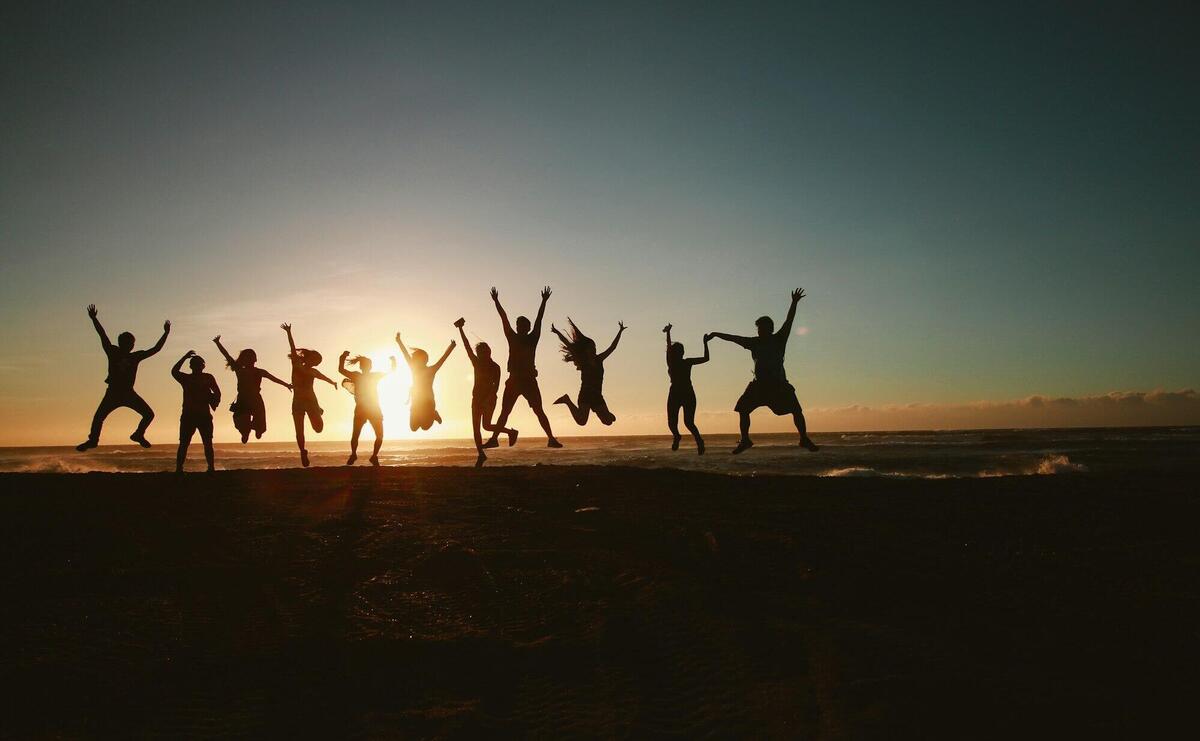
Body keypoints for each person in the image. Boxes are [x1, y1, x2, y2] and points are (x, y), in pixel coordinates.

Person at [707, 288, 819, 454]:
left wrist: (794, 303)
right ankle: (745, 440)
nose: (759, 331)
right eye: (758, 328)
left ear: (770, 328)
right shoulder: (754, 342)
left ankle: (803, 438)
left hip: (778, 384)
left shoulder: (779, 339)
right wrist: (716, 334)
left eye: (762, 328)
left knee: (796, 410)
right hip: (759, 385)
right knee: (743, 409)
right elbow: (734, 338)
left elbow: (789, 321)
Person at [77, 305, 170, 451]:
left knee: (148, 414)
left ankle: (138, 434)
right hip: (114, 392)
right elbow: (103, 335)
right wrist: (94, 319)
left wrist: (166, 334)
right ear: (123, 343)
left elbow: (155, 349)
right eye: (129, 343)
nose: (130, 345)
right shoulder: (114, 352)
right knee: (99, 417)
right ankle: (93, 440)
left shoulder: (133, 356)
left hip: (127, 393)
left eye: (131, 343)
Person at [485, 286, 562, 448]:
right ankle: (494, 439)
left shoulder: (532, 338)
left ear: (526, 328)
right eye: (518, 325)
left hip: (528, 380)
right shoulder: (512, 337)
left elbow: (539, 320)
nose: (519, 327)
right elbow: (503, 318)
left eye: (522, 325)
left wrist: (543, 301)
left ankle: (551, 438)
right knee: (505, 412)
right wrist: (496, 301)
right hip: (513, 380)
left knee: (538, 410)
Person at [455, 317, 518, 466]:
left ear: (489, 351)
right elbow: (467, 347)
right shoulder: (476, 363)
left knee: (487, 426)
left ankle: (510, 432)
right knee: (477, 428)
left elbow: (496, 387)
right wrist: (460, 329)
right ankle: (481, 455)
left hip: (489, 399)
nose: (483, 354)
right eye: (480, 352)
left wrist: (488, 399)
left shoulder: (495, 367)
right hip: (476, 399)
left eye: (485, 351)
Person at [212, 335, 292, 444]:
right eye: (248, 357)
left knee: (259, 421)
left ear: (255, 359)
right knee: (241, 421)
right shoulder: (240, 370)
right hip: (243, 399)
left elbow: (274, 379)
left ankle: (257, 430)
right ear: (244, 360)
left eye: (252, 357)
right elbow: (227, 355)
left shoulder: (259, 371)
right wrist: (218, 343)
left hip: (255, 399)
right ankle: (245, 432)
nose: (250, 359)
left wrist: (286, 385)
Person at [281, 323, 338, 467]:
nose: (315, 363)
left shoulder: (313, 372)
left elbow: (323, 377)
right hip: (298, 403)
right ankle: (302, 452)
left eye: (317, 362)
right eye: (315, 360)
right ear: (309, 358)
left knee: (319, 429)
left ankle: (318, 411)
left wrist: (332, 382)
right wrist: (288, 332)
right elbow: (293, 349)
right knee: (299, 431)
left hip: (311, 402)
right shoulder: (296, 365)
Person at [551, 319, 625, 427]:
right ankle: (567, 400)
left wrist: (620, 331)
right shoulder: (583, 361)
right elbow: (568, 344)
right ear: (586, 350)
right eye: (591, 348)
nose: (594, 350)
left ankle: (605, 414)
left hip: (597, 394)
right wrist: (557, 332)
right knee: (582, 422)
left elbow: (612, 347)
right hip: (586, 393)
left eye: (594, 347)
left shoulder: (599, 359)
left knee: (608, 422)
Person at [339, 351, 395, 466]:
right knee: (375, 435)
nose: (369, 367)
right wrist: (393, 362)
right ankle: (365, 455)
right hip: (369, 409)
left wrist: (342, 357)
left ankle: (364, 456)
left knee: (360, 435)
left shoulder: (361, 375)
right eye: (368, 365)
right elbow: (392, 371)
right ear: (367, 366)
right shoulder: (365, 376)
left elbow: (341, 370)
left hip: (368, 408)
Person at [170, 350, 220, 473]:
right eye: (196, 364)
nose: (198, 367)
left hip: (199, 415)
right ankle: (180, 468)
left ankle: (209, 467)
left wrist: (213, 400)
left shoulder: (205, 378)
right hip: (191, 415)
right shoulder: (188, 378)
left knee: (203, 443)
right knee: (188, 443)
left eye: (199, 364)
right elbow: (174, 372)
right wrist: (184, 357)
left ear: (202, 366)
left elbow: (217, 393)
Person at [663, 324, 709, 454]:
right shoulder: (670, 361)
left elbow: (706, 358)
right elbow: (668, 347)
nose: (676, 354)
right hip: (675, 393)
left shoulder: (687, 362)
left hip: (687, 393)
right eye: (674, 352)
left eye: (679, 352)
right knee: (672, 422)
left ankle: (699, 441)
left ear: (682, 353)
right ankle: (677, 436)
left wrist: (705, 343)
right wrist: (668, 333)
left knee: (688, 422)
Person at [395, 332, 455, 432]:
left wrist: (451, 347)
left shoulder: (431, 370)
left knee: (425, 427)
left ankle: (433, 414)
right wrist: (399, 341)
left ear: (425, 360)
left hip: (428, 402)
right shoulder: (413, 368)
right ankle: (430, 415)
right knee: (413, 428)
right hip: (416, 401)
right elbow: (405, 354)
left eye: (417, 359)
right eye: (414, 359)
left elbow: (443, 359)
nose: (414, 361)